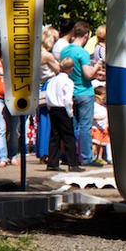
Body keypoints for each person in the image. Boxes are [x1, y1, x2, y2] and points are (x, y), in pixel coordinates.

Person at [60, 21, 104, 167]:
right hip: (84, 92)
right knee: (85, 126)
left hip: (70, 91)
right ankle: (86, 157)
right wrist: (97, 65)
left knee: (73, 126)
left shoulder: (65, 51)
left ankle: (71, 155)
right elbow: (88, 74)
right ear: (86, 35)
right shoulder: (83, 53)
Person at [45, 57, 83, 173]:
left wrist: (50, 107)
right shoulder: (68, 82)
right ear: (71, 69)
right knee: (68, 137)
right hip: (63, 109)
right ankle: (72, 163)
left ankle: (52, 162)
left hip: (53, 109)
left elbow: (47, 96)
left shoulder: (52, 80)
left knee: (54, 136)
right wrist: (70, 113)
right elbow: (67, 99)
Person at [35, 26, 61, 163]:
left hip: (42, 86)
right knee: (49, 120)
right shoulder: (48, 55)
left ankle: (41, 151)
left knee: (42, 120)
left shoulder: (37, 53)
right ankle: (47, 151)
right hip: (50, 85)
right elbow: (58, 69)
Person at [91, 85, 110, 164]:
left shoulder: (104, 106)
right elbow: (91, 116)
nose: (104, 100)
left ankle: (99, 157)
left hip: (103, 128)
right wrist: (97, 118)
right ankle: (93, 156)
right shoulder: (94, 106)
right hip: (96, 127)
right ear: (96, 97)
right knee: (95, 143)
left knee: (102, 144)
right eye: (103, 98)